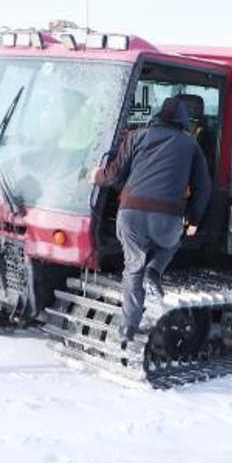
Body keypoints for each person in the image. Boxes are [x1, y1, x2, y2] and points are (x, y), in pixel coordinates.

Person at [92, 96, 211, 343]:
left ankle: (128, 327)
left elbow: (113, 176)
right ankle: (155, 270)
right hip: (167, 218)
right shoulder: (190, 145)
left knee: (132, 268)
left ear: (155, 115)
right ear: (183, 121)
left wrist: (96, 176)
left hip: (131, 215)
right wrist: (194, 220)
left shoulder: (136, 136)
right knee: (170, 244)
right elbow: (204, 187)